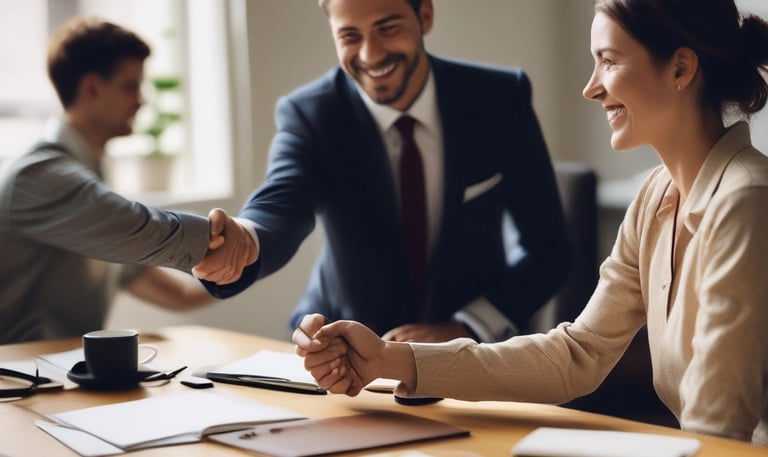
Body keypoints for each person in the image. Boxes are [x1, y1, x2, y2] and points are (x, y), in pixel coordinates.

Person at [293, 0, 768, 445]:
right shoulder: (656, 195)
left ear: (681, 69)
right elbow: (579, 353)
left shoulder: (744, 201)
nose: (591, 87)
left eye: (608, 61)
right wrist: (387, 359)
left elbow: (717, 423)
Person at [194, 0, 570, 343]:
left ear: (425, 16)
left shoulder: (500, 99)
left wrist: (465, 327)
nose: (370, 55)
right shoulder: (310, 115)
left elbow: (548, 250)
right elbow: (282, 202)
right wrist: (245, 239)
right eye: (350, 36)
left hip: (471, 353)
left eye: (388, 28)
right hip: (342, 347)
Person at [0, 16, 248, 343]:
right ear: (91, 88)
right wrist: (228, 240)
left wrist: (252, 256)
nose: (141, 100)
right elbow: (136, 226)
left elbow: (179, 296)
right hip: (19, 384)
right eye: (131, 86)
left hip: (62, 375)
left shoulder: (90, 194)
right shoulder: (40, 176)